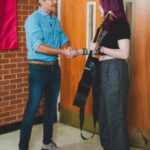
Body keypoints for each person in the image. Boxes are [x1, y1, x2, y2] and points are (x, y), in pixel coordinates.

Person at [73, 0, 131, 149]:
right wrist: (82, 51)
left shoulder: (121, 24)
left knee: (115, 116)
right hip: (103, 68)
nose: (99, 7)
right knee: (103, 114)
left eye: (101, 4)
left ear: (109, 5)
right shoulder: (106, 26)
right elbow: (98, 49)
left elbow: (124, 54)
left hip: (115, 70)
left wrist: (102, 48)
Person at [18, 0, 73, 150]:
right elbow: (39, 46)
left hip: (55, 69)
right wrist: (62, 52)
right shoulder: (33, 20)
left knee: (50, 109)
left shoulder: (55, 20)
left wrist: (67, 49)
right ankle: (23, 147)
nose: (55, 1)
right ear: (41, 1)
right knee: (32, 109)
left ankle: (47, 143)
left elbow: (64, 40)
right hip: (38, 69)